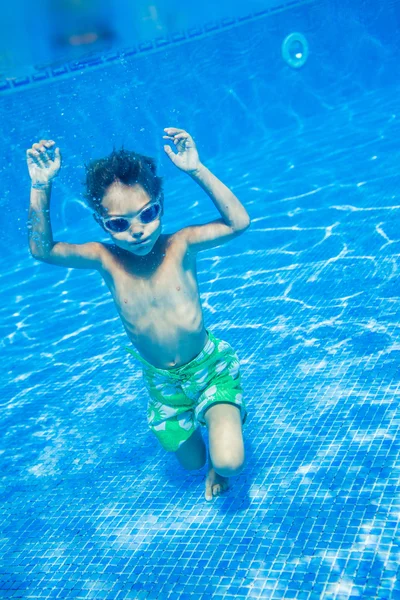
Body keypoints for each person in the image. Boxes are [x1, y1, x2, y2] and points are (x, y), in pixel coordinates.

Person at [27, 128, 251, 502]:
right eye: (119, 223)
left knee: (227, 462)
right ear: (102, 224)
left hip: (207, 368)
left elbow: (238, 223)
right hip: (162, 383)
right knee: (192, 463)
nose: (137, 230)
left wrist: (196, 170)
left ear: (160, 204)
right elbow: (42, 249)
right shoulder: (106, 260)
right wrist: (40, 186)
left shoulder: (181, 245)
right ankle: (209, 424)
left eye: (148, 213)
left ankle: (222, 414)